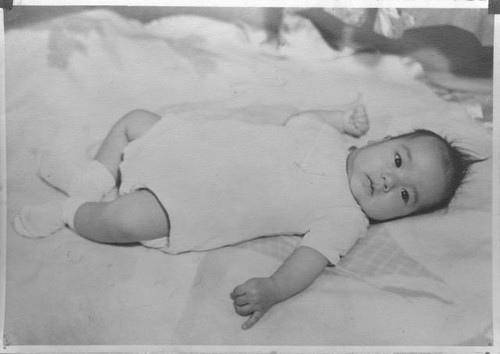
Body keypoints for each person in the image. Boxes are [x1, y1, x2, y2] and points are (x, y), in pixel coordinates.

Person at [14, 105, 481, 330]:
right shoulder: (327, 136)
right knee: (135, 119)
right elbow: (298, 118)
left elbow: (308, 260)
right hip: (184, 144)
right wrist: (337, 117)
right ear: (384, 140)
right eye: (397, 162)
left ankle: (72, 209)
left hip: (188, 201)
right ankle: (92, 177)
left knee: (124, 223)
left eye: (405, 196)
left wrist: (275, 289)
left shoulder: (347, 216)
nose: (387, 183)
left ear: (401, 215)